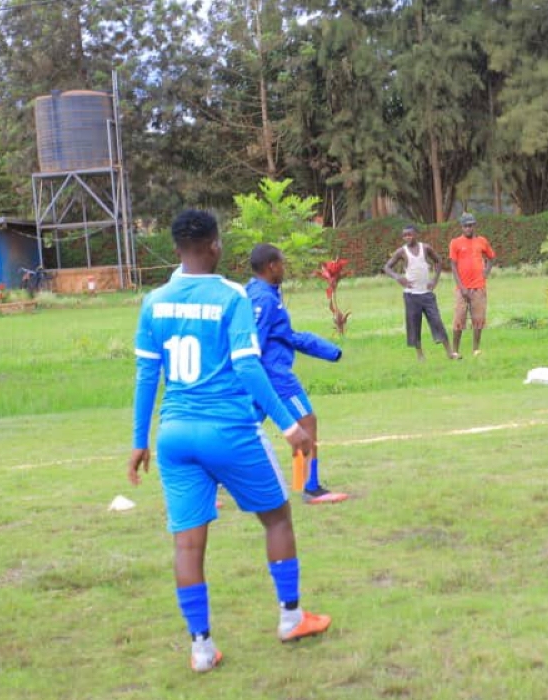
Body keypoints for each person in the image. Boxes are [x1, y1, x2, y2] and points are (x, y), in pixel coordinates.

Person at [129, 210, 330, 674]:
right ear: (215, 246)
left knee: (187, 544)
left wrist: (140, 441)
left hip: (175, 435)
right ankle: (291, 618)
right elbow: (247, 366)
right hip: (229, 431)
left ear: (177, 247)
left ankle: (201, 649)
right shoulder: (231, 296)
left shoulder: (153, 301)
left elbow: (146, 374)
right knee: (277, 517)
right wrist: (288, 425)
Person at [247, 244, 349, 505]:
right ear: (271, 266)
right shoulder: (264, 299)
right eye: (281, 263)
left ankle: (206, 488)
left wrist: (326, 350)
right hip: (275, 377)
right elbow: (254, 344)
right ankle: (310, 487)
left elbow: (285, 336)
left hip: (266, 374)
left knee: (241, 428)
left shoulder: (262, 292)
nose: (284, 268)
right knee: (307, 422)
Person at [384, 224, 458, 361]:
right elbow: (387, 267)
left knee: (437, 321)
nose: (407, 237)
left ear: (416, 234)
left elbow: (439, 261)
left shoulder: (426, 248)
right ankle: (420, 355)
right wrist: (398, 277)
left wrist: (434, 280)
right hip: (411, 296)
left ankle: (450, 352)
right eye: (405, 235)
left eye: (410, 234)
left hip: (427, 294)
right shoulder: (401, 251)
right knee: (414, 324)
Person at [448, 213, 496, 357]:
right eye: (466, 226)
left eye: (471, 225)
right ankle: (455, 351)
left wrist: (485, 273)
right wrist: (461, 287)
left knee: (478, 318)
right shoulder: (455, 243)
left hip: (479, 287)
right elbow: (453, 266)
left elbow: (491, 258)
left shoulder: (482, 241)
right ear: (462, 227)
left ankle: (476, 349)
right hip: (462, 289)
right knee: (459, 319)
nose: (469, 228)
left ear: (474, 226)